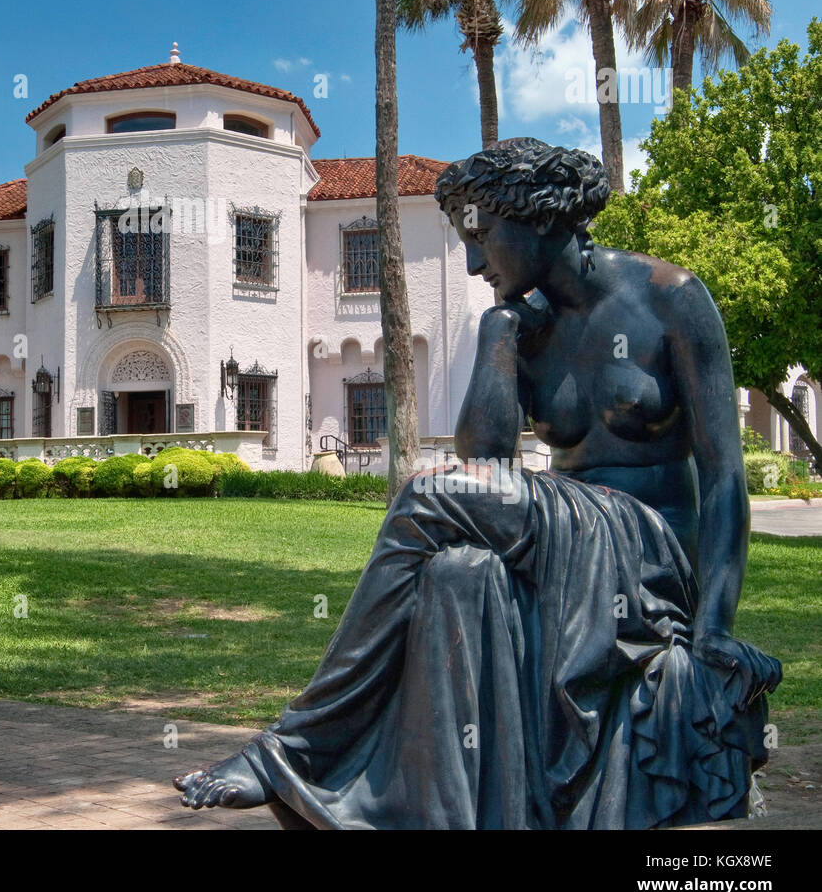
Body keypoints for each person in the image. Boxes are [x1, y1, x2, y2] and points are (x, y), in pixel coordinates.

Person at [174, 137, 780, 829]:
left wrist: (713, 631)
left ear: (538, 217)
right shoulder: (524, 324)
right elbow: (488, 457)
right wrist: (497, 335)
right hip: (570, 536)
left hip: (649, 546)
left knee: (428, 495)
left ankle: (294, 745)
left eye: (482, 237)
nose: (470, 261)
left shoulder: (669, 299)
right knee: (458, 573)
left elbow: (726, 478)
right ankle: (454, 805)